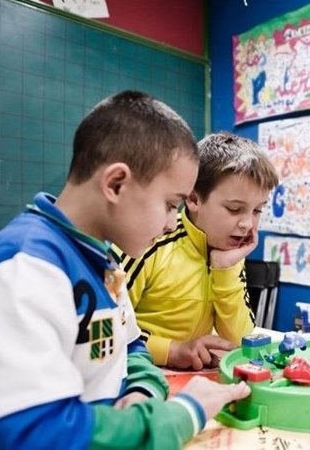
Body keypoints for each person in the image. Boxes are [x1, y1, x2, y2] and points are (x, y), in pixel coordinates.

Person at [0, 91, 250, 449]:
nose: (171, 223)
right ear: (116, 183)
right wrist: (185, 412)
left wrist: (143, 391)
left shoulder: (103, 262)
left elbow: (132, 349)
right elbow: (42, 437)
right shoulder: (23, 271)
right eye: (170, 204)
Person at [118, 132, 279, 371]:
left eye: (257, 211)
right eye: (235, 209)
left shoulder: (228, 251)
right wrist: (172, 351)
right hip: (140, 373)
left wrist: (225, 269)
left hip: (197, 380)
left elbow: (240, 339)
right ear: (193, 199)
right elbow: (106, 332)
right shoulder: (148, 244)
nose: (247, 223)